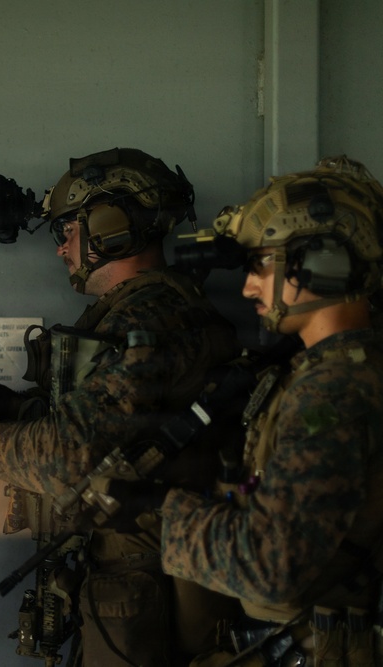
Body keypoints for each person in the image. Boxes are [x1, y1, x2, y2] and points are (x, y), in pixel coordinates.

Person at [0, 147, 241, 666]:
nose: (61, 249)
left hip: (150, 586)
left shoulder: (147, 319)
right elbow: (115, 426)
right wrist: (12, 407)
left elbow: (66, 458)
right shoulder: (151, 310)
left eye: (67, 230)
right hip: (142, 574)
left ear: (110, 227)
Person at [157, 157, 383, 666]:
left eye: (261, 264)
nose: (248, 287)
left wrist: (161, 510)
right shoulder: (330, 369)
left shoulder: (336, 389)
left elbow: (269, 569)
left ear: (322, 263)